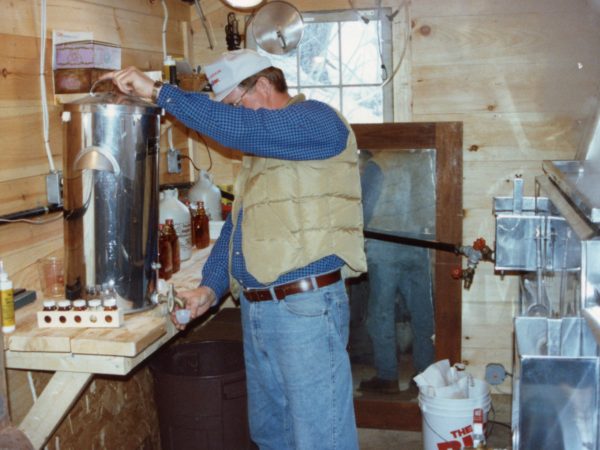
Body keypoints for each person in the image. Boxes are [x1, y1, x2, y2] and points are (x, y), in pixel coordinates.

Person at [103, 49, 367, 450]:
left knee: (320, 438)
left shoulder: (318, 120)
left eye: (236, 103)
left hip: (306, 308)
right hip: (259, 310)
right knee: (271, 435)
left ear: (262, 84)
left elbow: (241, 128)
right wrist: (209, 289)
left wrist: (160, 92)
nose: (236, 115)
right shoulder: (261, 151)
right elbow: (238, 228)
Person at [357, 150, 435, 394]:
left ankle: (387, 376)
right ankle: (425, 374)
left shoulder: (379, 162)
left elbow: (365, 207)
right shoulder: (422, 158)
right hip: (418, 240)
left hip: (383, 241)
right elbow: (429, 201)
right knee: (422, 312)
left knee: (381, 312)